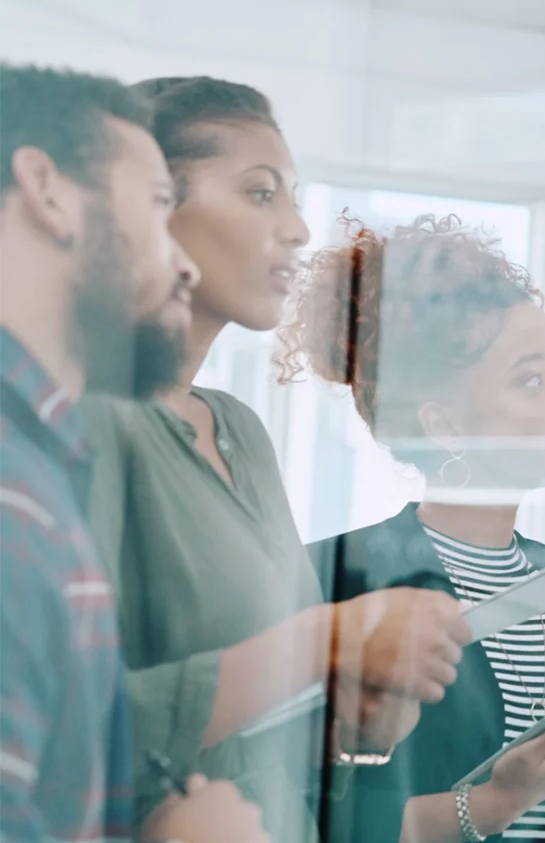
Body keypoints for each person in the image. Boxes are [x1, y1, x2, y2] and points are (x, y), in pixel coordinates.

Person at [80, 77, 472, 842]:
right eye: (261, 194)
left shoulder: (239, 430)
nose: (297, 228)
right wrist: (329, 642)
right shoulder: (80, 423)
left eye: (293, 196)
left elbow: (272, 719)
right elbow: (65, 722)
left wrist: (357, 718)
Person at [284, 214, 545, 843]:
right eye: (532, 379)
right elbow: (309, 824)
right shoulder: (346, 581)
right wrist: (496, 801)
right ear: (444, 424)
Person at [0, 62, 268, 841]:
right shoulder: (13, 500)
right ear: (47, 190)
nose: (181, 261)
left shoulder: (43, 468)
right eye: (158, 208)